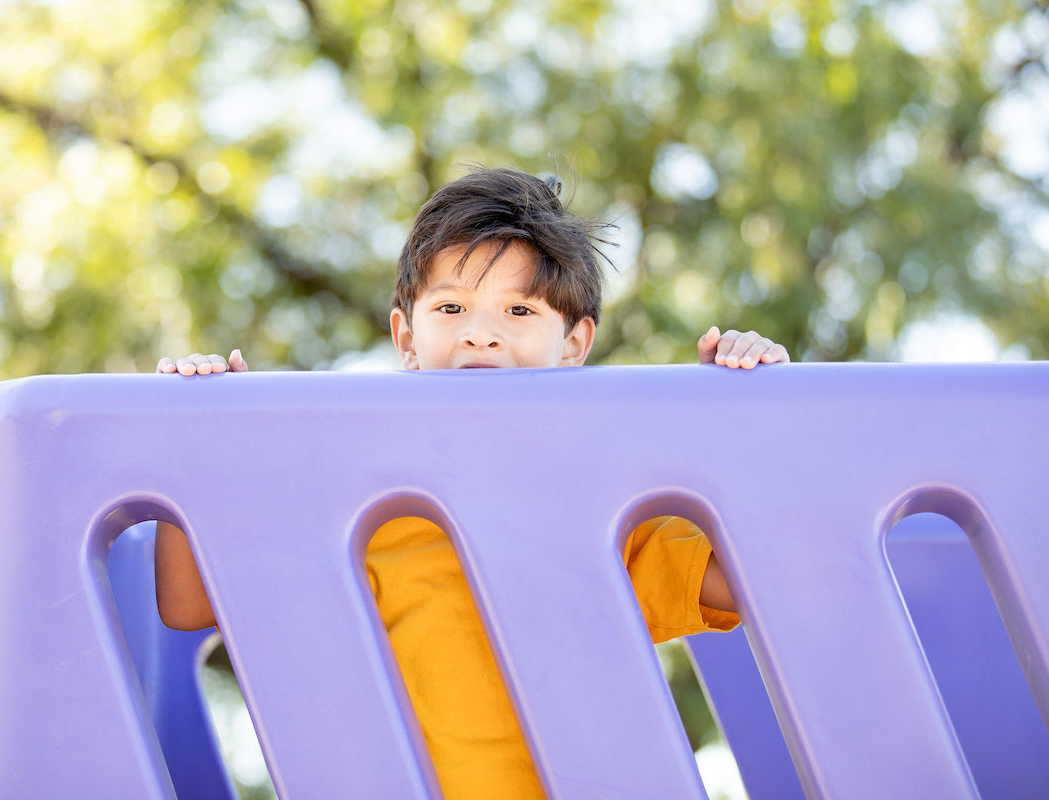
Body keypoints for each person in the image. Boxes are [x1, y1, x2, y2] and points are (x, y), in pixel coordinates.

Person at [153, 167, 790, 800]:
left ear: (573, 344)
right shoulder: (360, 511)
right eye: (451, 307)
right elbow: (189, 604)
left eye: (518, 309)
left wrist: (744, 426)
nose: (480, 332)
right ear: (407, 337)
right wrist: (196, 444)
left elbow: (747, 579)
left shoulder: (603, 515)